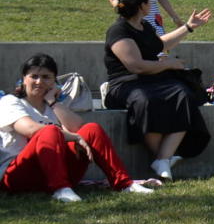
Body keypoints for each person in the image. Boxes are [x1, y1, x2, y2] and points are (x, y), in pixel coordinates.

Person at [3, 53, 163, 201]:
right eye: (34, 76)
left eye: (46, 77)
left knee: (91, 129)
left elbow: (79, 128)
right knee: (49, 131)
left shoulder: (52, 105)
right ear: (24, 79)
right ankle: (61, 189)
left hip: (53, 171)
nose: (39, 82)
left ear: (54, 82)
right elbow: (30, 129)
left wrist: (53, 102)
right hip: (18, 175)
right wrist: (74, 137)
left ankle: (124, 184)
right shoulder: (10, 101)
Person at [102, 0, 214, 181]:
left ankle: (163, 159)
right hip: (126, 84)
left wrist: (188, 28)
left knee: (183, 93)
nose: (150, 5)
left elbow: (160, 45)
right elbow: (136, 66)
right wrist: (170, 64)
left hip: (151, 79)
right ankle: (164, 158)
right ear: (143, 5)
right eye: (149, 2)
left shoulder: (144, 25)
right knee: (146, 100)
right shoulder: (118, 30)